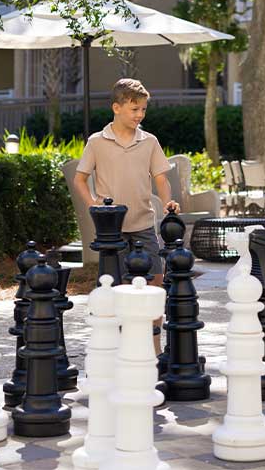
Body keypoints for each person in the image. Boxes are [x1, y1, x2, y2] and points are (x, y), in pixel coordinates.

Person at [73, 77, 180, 354]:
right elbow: (80, 179)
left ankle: (155, 347)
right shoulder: (97, 142)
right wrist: (94, 204)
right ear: (116, 108)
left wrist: (168, 201)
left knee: (155, 284)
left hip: (143, 223)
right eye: (134, 109)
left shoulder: (149, 141)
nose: (140, 115)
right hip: (113, 230)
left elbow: (161, 179)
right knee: (119, 288)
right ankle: (124, 347)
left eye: (143, 110)